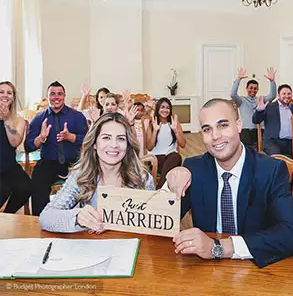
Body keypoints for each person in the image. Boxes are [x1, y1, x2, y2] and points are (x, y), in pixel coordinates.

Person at [172, 98, 293, 268]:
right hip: (206, 271)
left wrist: (220, 247)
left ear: (239, 125)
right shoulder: (193, 169)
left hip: (257, 269)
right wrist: (170, 184)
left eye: (223, 125)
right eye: (207, 129)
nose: (215, 136)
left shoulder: (270, 170)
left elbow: (292, 235)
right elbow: (158, 220)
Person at [39, 113, 187, 233]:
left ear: (128, 145)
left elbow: (154, 223)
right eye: (106, 138)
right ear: (95, 144)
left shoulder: (141, 178)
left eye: (121, 139)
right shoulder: (81, 176)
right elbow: (46, 217)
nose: (114, 145)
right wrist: (77, 217)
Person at [25, 81, 89, 216]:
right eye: (52, 94)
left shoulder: (77, 117)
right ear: (47, 96)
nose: (56, 97)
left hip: (73, 162)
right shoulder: (38, 119)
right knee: (37, 180)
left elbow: (88, 141)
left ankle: (77, 218)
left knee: (85, 179)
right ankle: (40, 219)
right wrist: (40, 138)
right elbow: (28, 146)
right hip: (49, 161)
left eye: (59, 94)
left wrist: (71, 137)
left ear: (64, 96)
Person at [0, 81, 31, 213]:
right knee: (3, 189)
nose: (5, 95)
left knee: (26, 187)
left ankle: (6, 216)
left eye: (9, 93)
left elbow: (15, 142)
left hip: (9, 166)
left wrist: (7, 119)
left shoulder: (19, 120)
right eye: (1, 92)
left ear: (13, 97)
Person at [230, 67, 277, 147]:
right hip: (246, 130)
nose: (253, 90)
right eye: (251, 88)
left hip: (259, 130)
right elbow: (233, 94)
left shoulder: (261, 99)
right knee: (247, 147)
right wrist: (238, 79)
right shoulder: (241, 100)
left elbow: (272, 96)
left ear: (257, 89)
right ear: (247, 88)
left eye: (255, 88)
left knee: (265, 145)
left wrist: (272, 81)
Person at [252, 84, 293, 157]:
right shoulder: (270, 107)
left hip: (291, 142)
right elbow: (256, 120)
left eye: (289, 94)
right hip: (272, 142)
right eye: (284, 94)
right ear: (278, 95)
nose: (287, 96)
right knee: (277, 157)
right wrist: (259, 110)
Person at [146, 98, 186, 189]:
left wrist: (175, 130)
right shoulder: (152, 124)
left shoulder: (174, 123)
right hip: (155, 159)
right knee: (172, 163)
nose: (165, 110)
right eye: (162, 107)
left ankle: (159, 188)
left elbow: (183, 144)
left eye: (168, 108)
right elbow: (149, 147)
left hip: (171, 158)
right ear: (158, 109)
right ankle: (162, 189)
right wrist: (155, 131)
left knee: (176, 157)